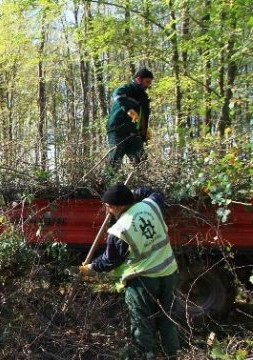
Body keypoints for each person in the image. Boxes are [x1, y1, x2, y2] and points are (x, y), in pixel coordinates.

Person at [80, 184, 180, 359]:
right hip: (169, 273)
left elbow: (110, 260)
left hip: (142, 281)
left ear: (119, 206)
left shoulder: (121, 229)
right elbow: (154, 192)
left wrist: (90, 268)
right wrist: (134, 193)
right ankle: (171, 354)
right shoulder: (151, 205)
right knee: (167, 317)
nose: (107, 209)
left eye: (109, 206)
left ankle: (146, 354)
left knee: (141, 320)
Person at [107, 68, 154, 173]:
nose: (148, 85)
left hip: (133, 133)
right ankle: (106, 185)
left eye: (150, 83)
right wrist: (129, 110)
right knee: (115, 159)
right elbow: (117, 94)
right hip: (117, 129)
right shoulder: (126, 89)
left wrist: (144, 132)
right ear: (138, 79)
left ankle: (142, 186)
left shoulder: (144, 98)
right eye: (147, 82)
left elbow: (144, 116)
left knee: (141, 160)